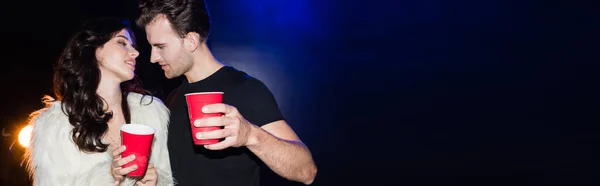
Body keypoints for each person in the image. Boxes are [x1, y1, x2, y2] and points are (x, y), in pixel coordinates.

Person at [130, 0, 318, 185]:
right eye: (152, 47)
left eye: (160, 46)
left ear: (191, 41)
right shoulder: (173, 97)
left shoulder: (246, 89)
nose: (153, 58)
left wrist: (250, 135)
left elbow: (306, 171)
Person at [23, 17, 174, 186]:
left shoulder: (151, 113)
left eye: (133, 46)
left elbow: (168, 176)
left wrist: (157, 182)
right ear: (95, 50)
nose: (135, 53)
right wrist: (108, 177)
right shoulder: (55, 125)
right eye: (122, 43)